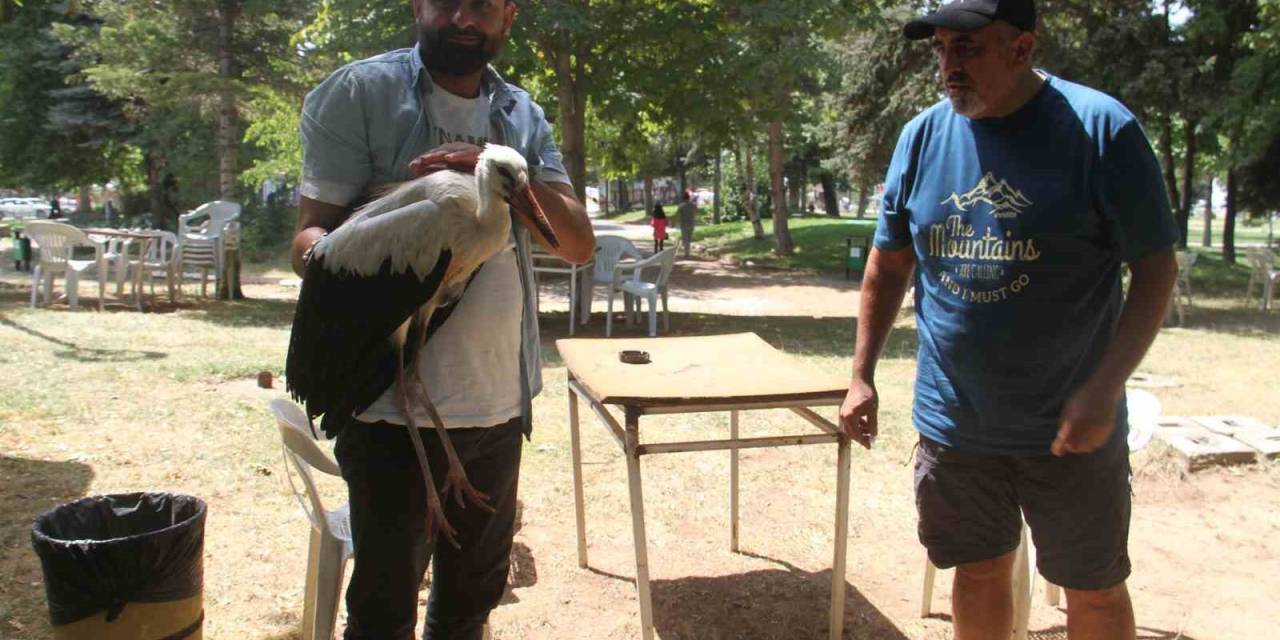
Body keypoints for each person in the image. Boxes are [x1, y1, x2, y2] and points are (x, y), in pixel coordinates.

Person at [838, 2, 1178, 639]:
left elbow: (1156, 270)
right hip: (956, 424)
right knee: (979, 573)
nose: (948, 66)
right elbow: (888, 265)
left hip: (1069, 428)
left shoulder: (1101, 130)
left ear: (1022, 49)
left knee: (1094, 590)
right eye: (940, 49)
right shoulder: (922, 136)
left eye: (967, 49)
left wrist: (1104, 389)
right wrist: (861, 374)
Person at [290, 1, 595, 638]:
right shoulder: (361, 92)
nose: (463, 17)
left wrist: (485, 160)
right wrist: (369, 253)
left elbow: (574, 244)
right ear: (417, 6)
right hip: (388, 413)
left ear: (508, 16)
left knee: (470, 606)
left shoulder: (521, 116)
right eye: (447, 0)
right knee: (383, 611)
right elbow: (310, 242)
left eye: (482, 5)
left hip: (498, 405)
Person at [675, 190, 697, 259]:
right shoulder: (693, 205)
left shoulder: (681, 206)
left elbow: (678, 215)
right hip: (691, 224)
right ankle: (687, 253)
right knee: (689, 239)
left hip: (684, 224)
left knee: (685, 239)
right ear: (689, 198)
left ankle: (686, 253)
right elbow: (696, 211)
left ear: (683, 198)